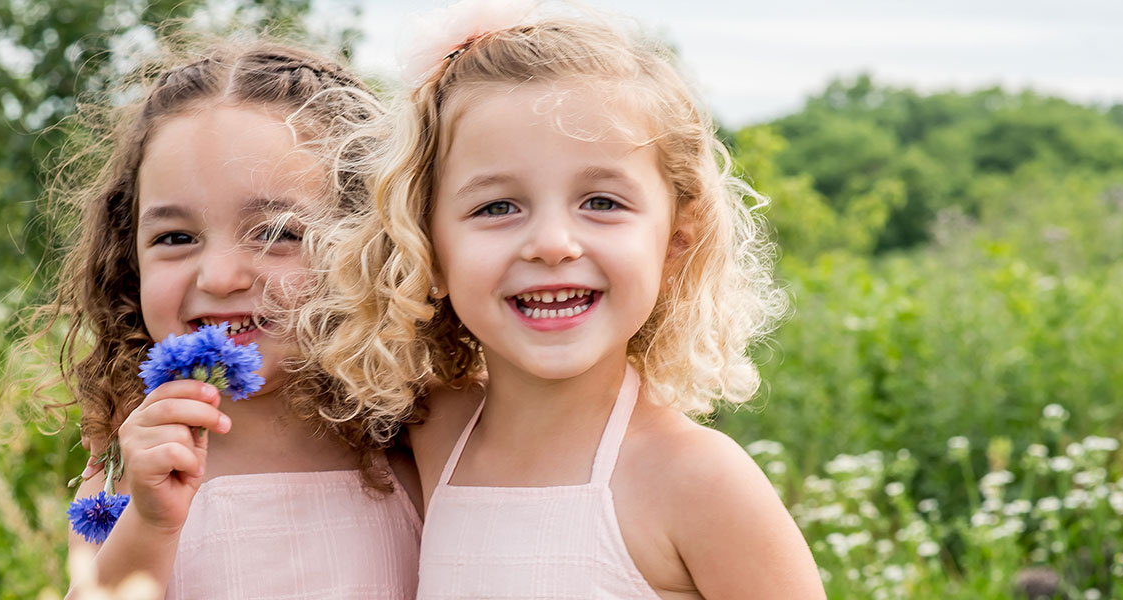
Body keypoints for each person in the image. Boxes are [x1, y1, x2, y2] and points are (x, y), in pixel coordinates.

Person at [298, 2, 825, 597]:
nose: (552, 244)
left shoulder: (697, 480)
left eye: (601, 202)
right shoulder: (434, 435)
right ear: (427, 251)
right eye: (497, 207)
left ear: (677, 240)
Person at [35, 41, 422, 599]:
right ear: (128, 256)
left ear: (367, 240)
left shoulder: (416, 433)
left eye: (275, 233)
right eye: (176, 237)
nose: (218, 277)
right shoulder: (131, 456)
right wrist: (150, 522)